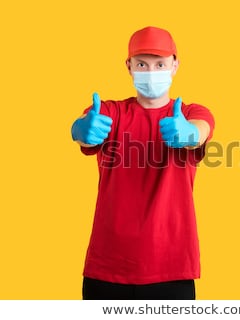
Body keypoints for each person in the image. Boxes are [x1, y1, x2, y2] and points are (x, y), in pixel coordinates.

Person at [71, 26, 215, 300]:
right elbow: (83, 133)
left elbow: (201, 129)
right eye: (142, 64)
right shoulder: (109, 112)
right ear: (129, 66)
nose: (151, 73)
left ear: (175, 65)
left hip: (171, 268)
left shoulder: (190, 112)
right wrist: (81, 130)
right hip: (107, 267)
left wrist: (190, 133)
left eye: (160, 64)